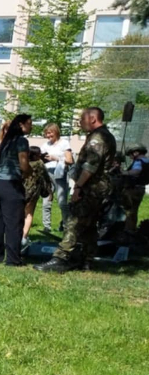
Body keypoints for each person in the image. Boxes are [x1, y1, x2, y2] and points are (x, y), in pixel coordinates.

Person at [37, 107, 118, 272]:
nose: (80, 123)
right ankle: (86, 259)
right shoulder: (102, 136)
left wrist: (78, 187)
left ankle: (61, 258)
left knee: (73, 222)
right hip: (97, 188)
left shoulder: (98, 138)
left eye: (82, 119)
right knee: (89, 225)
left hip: (91, 188)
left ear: (93, 119)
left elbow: (90, 167)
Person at [0, 114, 32, 266]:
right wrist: (30, 171)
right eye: (29, 123)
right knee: (14, 224)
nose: (31, 126)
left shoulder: (6, 140)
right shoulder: (21, 141)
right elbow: (23, 165)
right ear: (21, 125)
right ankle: (13, 260)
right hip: (11, 186)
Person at [40, 122, 74, 233]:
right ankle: (46, 227)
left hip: (60, 175)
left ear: (56, 132)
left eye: (50, 133)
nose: (48, 136)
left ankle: (66, 225)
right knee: (46, 202)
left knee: (62, 202)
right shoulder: (45, 145)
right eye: (46, 134)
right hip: (47, 175)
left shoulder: (64, 143)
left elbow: (70, 160)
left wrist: (56, 158)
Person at [22, 146, 52, 249]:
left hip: (21, 190)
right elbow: (46, 178)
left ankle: (16, 234)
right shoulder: (39, 163)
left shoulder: (24, 162)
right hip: (33, 192)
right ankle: (24, 237)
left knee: (20, 214)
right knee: (29, 214)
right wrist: (50, 192)